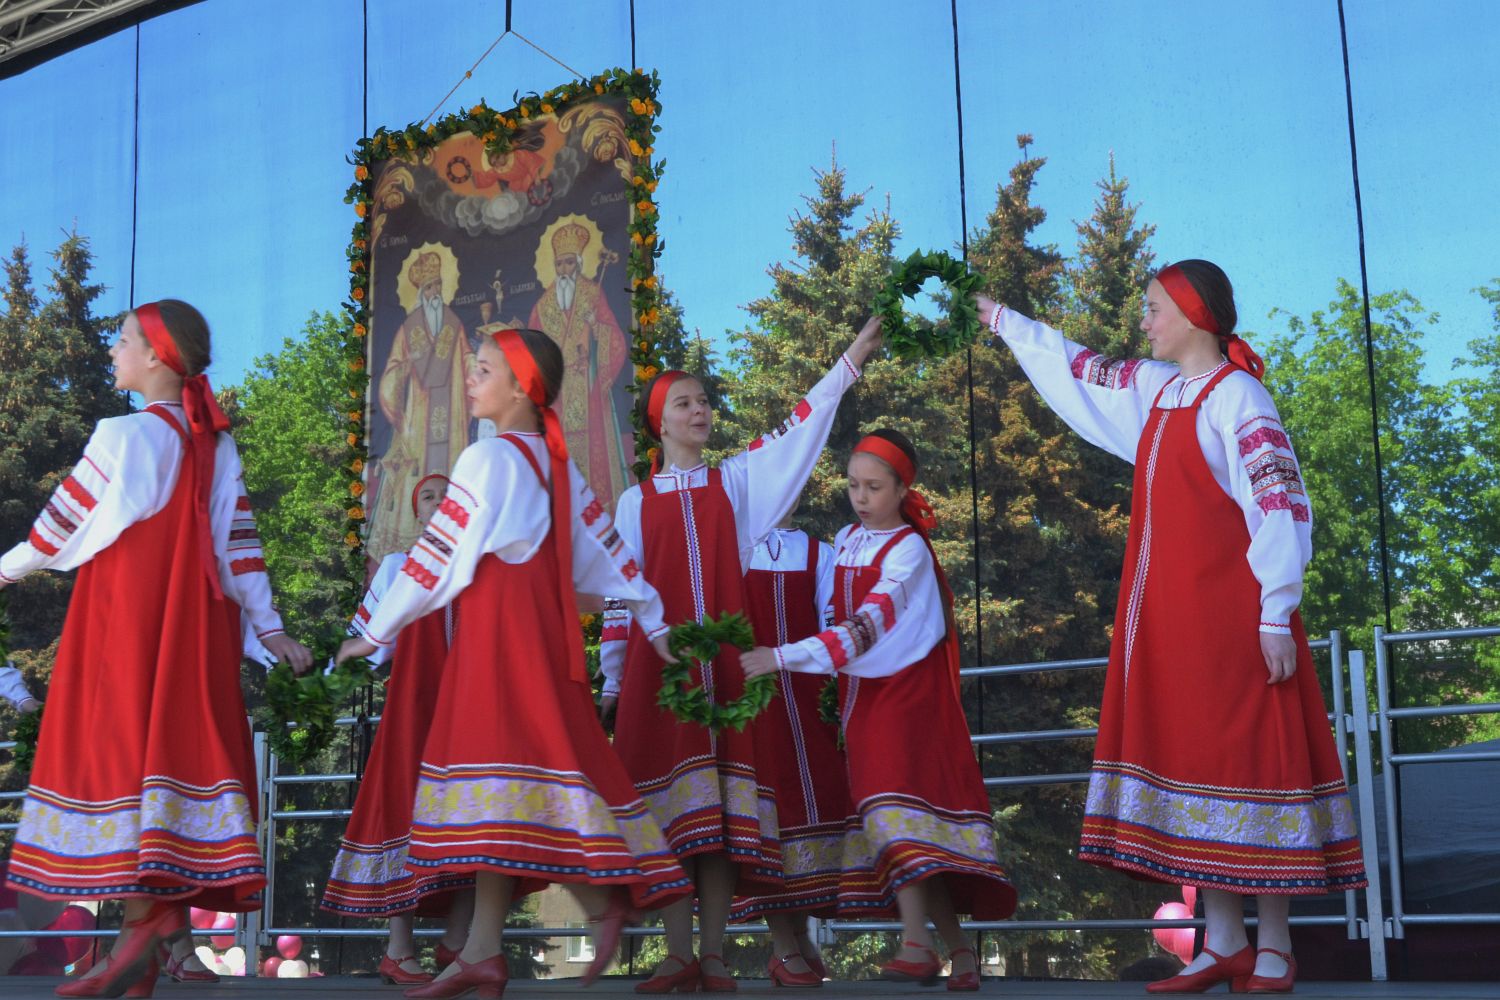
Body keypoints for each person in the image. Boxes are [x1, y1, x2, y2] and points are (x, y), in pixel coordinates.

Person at [982, 260, 1367, 994]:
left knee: (1254, 761)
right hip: (1171, 623)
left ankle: (1276, 945)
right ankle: (1223, 942)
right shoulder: (1158, 390)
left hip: (1235, 618)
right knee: (1200, 768)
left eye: (1155, 307)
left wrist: (1276, 611)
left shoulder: (1240, 397)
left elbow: (1279, 503)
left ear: (1194, 314)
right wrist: (1002, 319)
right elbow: (1080, 370)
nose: (1145, 320)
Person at [337, 328, 691, 1000]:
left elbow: (439, 552)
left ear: (522, 386)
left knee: (504, 770)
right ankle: (483, 949)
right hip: (539, 628)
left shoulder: (488, 458)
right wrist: (654, 616)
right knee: (512, 781)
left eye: (482, 369)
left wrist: (376, 628)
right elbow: (607, 550)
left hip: (498, 632)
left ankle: (602, 895)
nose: (470, 378)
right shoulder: (557, 465)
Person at [0, 300, 312, 998]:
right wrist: (269, 628)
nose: (113, 352)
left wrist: (6, 568)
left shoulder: (123, 434)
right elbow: (240, 546)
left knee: (124, 756)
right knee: (167, 759)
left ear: (155, 356)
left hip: (126, 618)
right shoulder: (215, 445)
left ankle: (138, 943)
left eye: (122, 341)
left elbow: (63, 521)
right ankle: (158, 945)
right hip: (193, 623)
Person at [598, 317, 883, 994]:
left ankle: (715, 954)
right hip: (661, 675)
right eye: (685, 403)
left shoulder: (737, 483)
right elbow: (620, 596)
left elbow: (797, 432)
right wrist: (612, 681)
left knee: (722, 819)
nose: (700, 411)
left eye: (704, 401)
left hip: (726, 674)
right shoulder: (634, 503)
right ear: (660, 423)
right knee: (670, 818)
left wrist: (849, 362)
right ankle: (676, 953)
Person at [741, 430, 1016, 993]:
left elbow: (864, 627)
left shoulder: (908, 551)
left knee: (890, 813)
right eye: (853, 486)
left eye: (873, 487)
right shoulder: (846, 540)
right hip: (861, 700)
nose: (860, 498)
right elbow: (835, 621)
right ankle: (959, 949)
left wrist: (781, 657)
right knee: (899, 823)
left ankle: (916, 944)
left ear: (901, 490)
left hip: (907, 698)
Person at [321, 474, 476, 985]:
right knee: (403, 817)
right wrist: (321, 688)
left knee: (473, 818)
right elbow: (367, 641)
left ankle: (458, 942)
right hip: (414, 713)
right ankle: (399, 948)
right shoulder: (398, 567)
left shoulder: (478, 566)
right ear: (417, 513)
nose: (439, 501)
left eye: (448, 495)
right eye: (428, 496)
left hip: (469, 710)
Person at [728, 516, 847, 988]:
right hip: (754, 699)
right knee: (771, 816)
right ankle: (783, 945)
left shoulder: (819, 552)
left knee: (813, 807)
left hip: (808, 697)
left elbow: (831, 624)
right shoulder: (737, 546)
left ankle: (798, 936)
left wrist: (836, 691)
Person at [369, 248, 475, 561]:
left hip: (451, 411)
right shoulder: (409, 328)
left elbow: (466, 357)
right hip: (419, 416)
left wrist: (478, 364)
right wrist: (400, 410)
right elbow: (392, 369)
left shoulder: (454, 323)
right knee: (416, 479)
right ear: (420, 291)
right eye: (429, 287)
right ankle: (413, 542)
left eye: (438, 284)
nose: (434, 292)